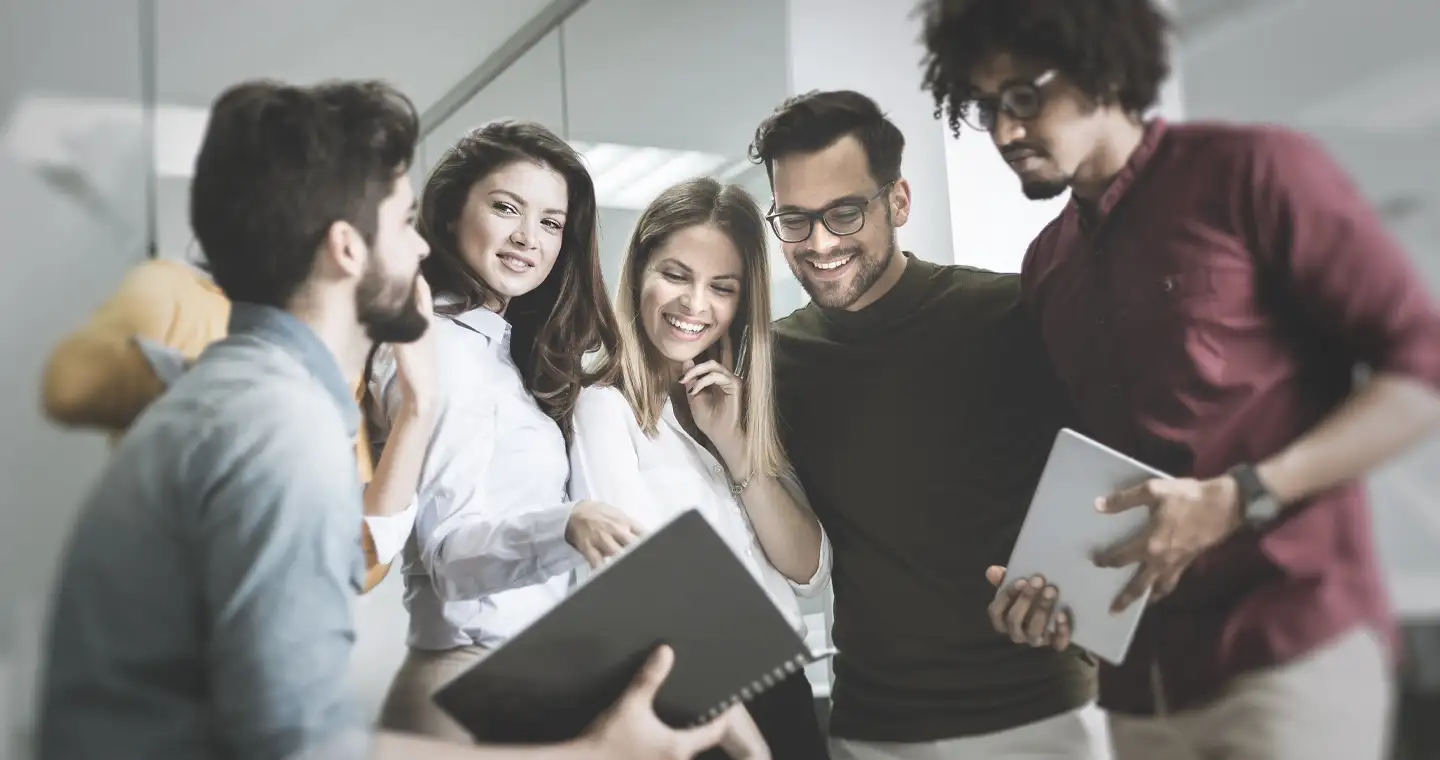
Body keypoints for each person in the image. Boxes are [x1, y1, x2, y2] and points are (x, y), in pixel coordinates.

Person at [37, 77, 736, 760]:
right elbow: (295, 740)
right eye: (406, 221)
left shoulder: (265, 397)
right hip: (467, 686)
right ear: (347, 247)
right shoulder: (285, 420)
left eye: (551, 222)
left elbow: (352, 559)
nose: (422, 245)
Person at [917, 1, 1440, 758]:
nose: (1003, 132)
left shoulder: (1254, 170)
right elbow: (1084, 470)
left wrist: (1241, 497)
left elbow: (1420, 368)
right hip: (1139, 688)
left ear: (1097, 63)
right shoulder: (1045, 266)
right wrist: (1046, 586)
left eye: (1023, 98)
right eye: (986, 106)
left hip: (1287, 657)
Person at [359, 122, 762, 751]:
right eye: (505, 208)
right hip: (465, 691)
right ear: (448, 213)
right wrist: (567, 523)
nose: (529, 238)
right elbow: (450, 561)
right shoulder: (440, 351)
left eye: (551, 222)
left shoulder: (495, 355)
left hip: (517, 680)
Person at [750, 90, 1106, 759]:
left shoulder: (1012, 313)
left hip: (1038, 716)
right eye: (794, 219)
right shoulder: (774, 365)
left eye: (844, 212)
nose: (819, 243)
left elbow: (1123, 466)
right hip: (874, 729)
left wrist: (1077, 594)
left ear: (899, 203)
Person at [567, 176, 832, 759]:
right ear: (638, 271)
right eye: (676, 275)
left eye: (722, 287)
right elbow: (636, 586)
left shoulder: (733, 410)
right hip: (696, 706)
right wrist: (743, 740)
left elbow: (808, 569)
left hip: (784, 690)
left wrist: (734, 443)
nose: (695, 305)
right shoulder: (603, 407)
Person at [39, 254, 409, 593]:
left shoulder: (335, 335)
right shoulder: (172, 292)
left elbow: (360, 565)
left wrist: (416, 411)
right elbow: (67, 387)